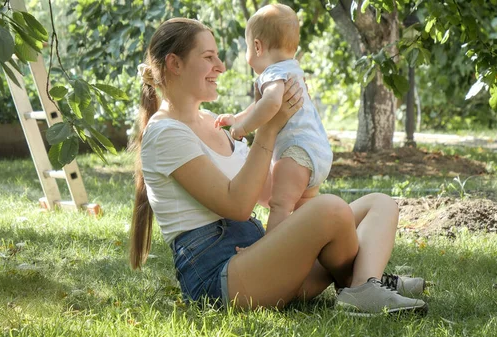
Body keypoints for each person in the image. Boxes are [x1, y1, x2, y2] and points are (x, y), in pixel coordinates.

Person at [130, 17, 428, 316]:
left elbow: (267, 191)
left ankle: (364, 284)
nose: (220, 66)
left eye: (217, 57)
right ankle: (364, 281)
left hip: (261, 257)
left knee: (380, 204)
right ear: (174, 64)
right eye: (208, 58)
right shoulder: (165, 132)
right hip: (221, 278)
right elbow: (237, 205)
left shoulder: (216, 122)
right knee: (330, 210)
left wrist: (300, 139)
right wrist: (269, 129)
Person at [214, 4, 333, 231]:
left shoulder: (272, 72)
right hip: (317, 152)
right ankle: (304, 247)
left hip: (296, 152)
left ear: (257, 46)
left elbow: (271, 103)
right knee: (303, 208)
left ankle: (267, 250)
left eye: (247, 47)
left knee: (279, 205)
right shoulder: (292, 68)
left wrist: (243, 128)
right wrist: (237, 117)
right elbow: (262, 104)